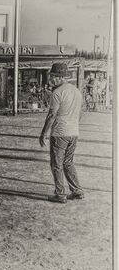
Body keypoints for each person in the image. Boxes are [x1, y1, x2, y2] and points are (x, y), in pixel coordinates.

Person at [39, 63, 84, 203]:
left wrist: (43, 133)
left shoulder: (57, 93)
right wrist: (74, 125)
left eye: (53, 76)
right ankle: (77, 191)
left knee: (56, 164)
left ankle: (60, 194)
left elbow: (52, 115)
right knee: (68, 163)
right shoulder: (76, 91)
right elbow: (80, 113)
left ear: (59, 77)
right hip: (74, 132)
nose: (51, 79)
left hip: (60, 133)